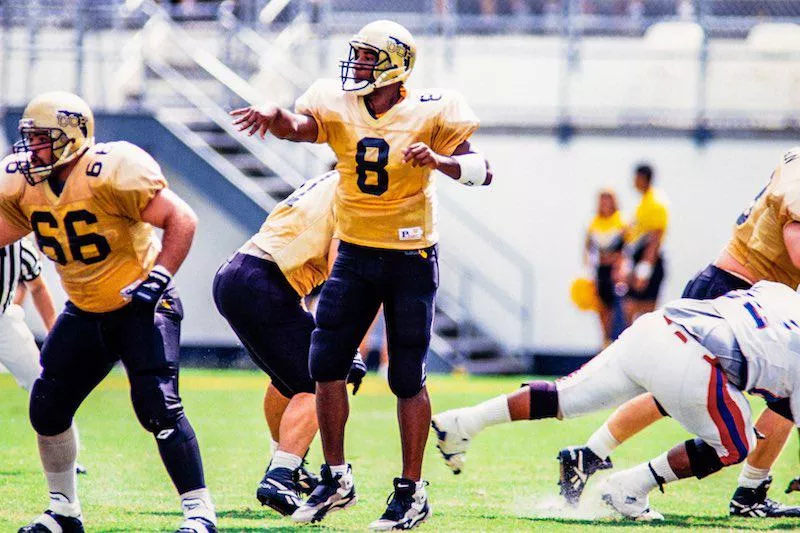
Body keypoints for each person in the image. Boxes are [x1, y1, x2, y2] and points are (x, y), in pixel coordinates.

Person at [230, 19, 491, 529]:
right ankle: (334, 476)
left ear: (397, 64)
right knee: (326, 365)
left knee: (405, 376)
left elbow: (483, 168)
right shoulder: (337, 101)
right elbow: (302, 128)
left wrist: (438, 160)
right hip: (353, 250)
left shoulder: (435, 107)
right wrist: (275, 115)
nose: (359, 66)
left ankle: (412, 491)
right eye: (359, 55)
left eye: (370, 58)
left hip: (410, 256)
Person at [1, 91, 216, 533]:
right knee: (47, 405)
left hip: (142, 304)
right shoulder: (24, 183)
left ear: (73, 136)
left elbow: (183, 219)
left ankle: (200, 514)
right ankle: (64, 511)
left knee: (158, 406)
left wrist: (158, 278)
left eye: (42, 139)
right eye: (29, 138)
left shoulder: (109, 171)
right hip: (84, 310)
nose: (31, 149)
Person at [556, 147, 800, 517]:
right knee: (784, 396)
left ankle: (588, 455)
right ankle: (750, 492)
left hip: (733, 288)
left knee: (670, 394)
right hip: (739, 294)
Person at [433, 280, 800, 520]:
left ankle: (464, 422)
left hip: (655, 328)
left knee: (562, 397)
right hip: (693, 355)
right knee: (738, 443)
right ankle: (631, 487)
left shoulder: (780, 292)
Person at [213, 170, 367, 516]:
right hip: (264, 283)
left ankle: (283, 459)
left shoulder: (322, 182)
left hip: (239, 274)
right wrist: (344, 340)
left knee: (286, 380)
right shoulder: (358, 191)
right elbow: (341, 271)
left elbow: (287, 247)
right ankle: (282, 472)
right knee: (323, 380)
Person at [618, 163, 668, 325]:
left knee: (645, 310)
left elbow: (655, 238)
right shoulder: (644, 202)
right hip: (637, 257)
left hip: (649, 261)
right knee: (629, 307)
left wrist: (644, 269)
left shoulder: (655, 202)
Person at [584, 189, 626, 346]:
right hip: (600, 271)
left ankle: (617, 342)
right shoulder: (593, 223)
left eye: (608, 199)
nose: (605, 203)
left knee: (619, 309)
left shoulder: (621, 222)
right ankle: (605, 342)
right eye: (602, 200)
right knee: (602, 308)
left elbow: (626, 248)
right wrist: (588, 271)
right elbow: (588, 249)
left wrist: (620, 265)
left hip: (616, 272)